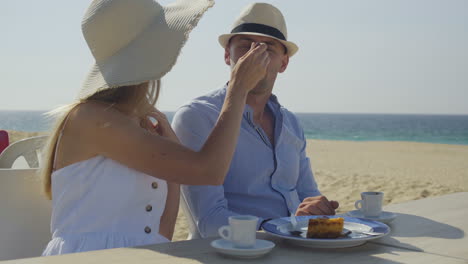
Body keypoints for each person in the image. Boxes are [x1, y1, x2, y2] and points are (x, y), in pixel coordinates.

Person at [41, 0, 271, 255]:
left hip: (140, 256)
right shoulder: (90, 118)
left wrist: (172, 145)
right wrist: (238, 90)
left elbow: (159, 232)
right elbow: (210, 171)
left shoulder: (134, 122)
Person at [172, 2, 339, 238]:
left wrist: (318, 212)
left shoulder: (290, 122)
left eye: (268, 47)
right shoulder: (197, 117)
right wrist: (289, 225)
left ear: (283, 63)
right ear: (227, 55)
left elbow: (308, 197)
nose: (255, 54)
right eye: (245, 45)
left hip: (295, 248)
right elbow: (209, 223)